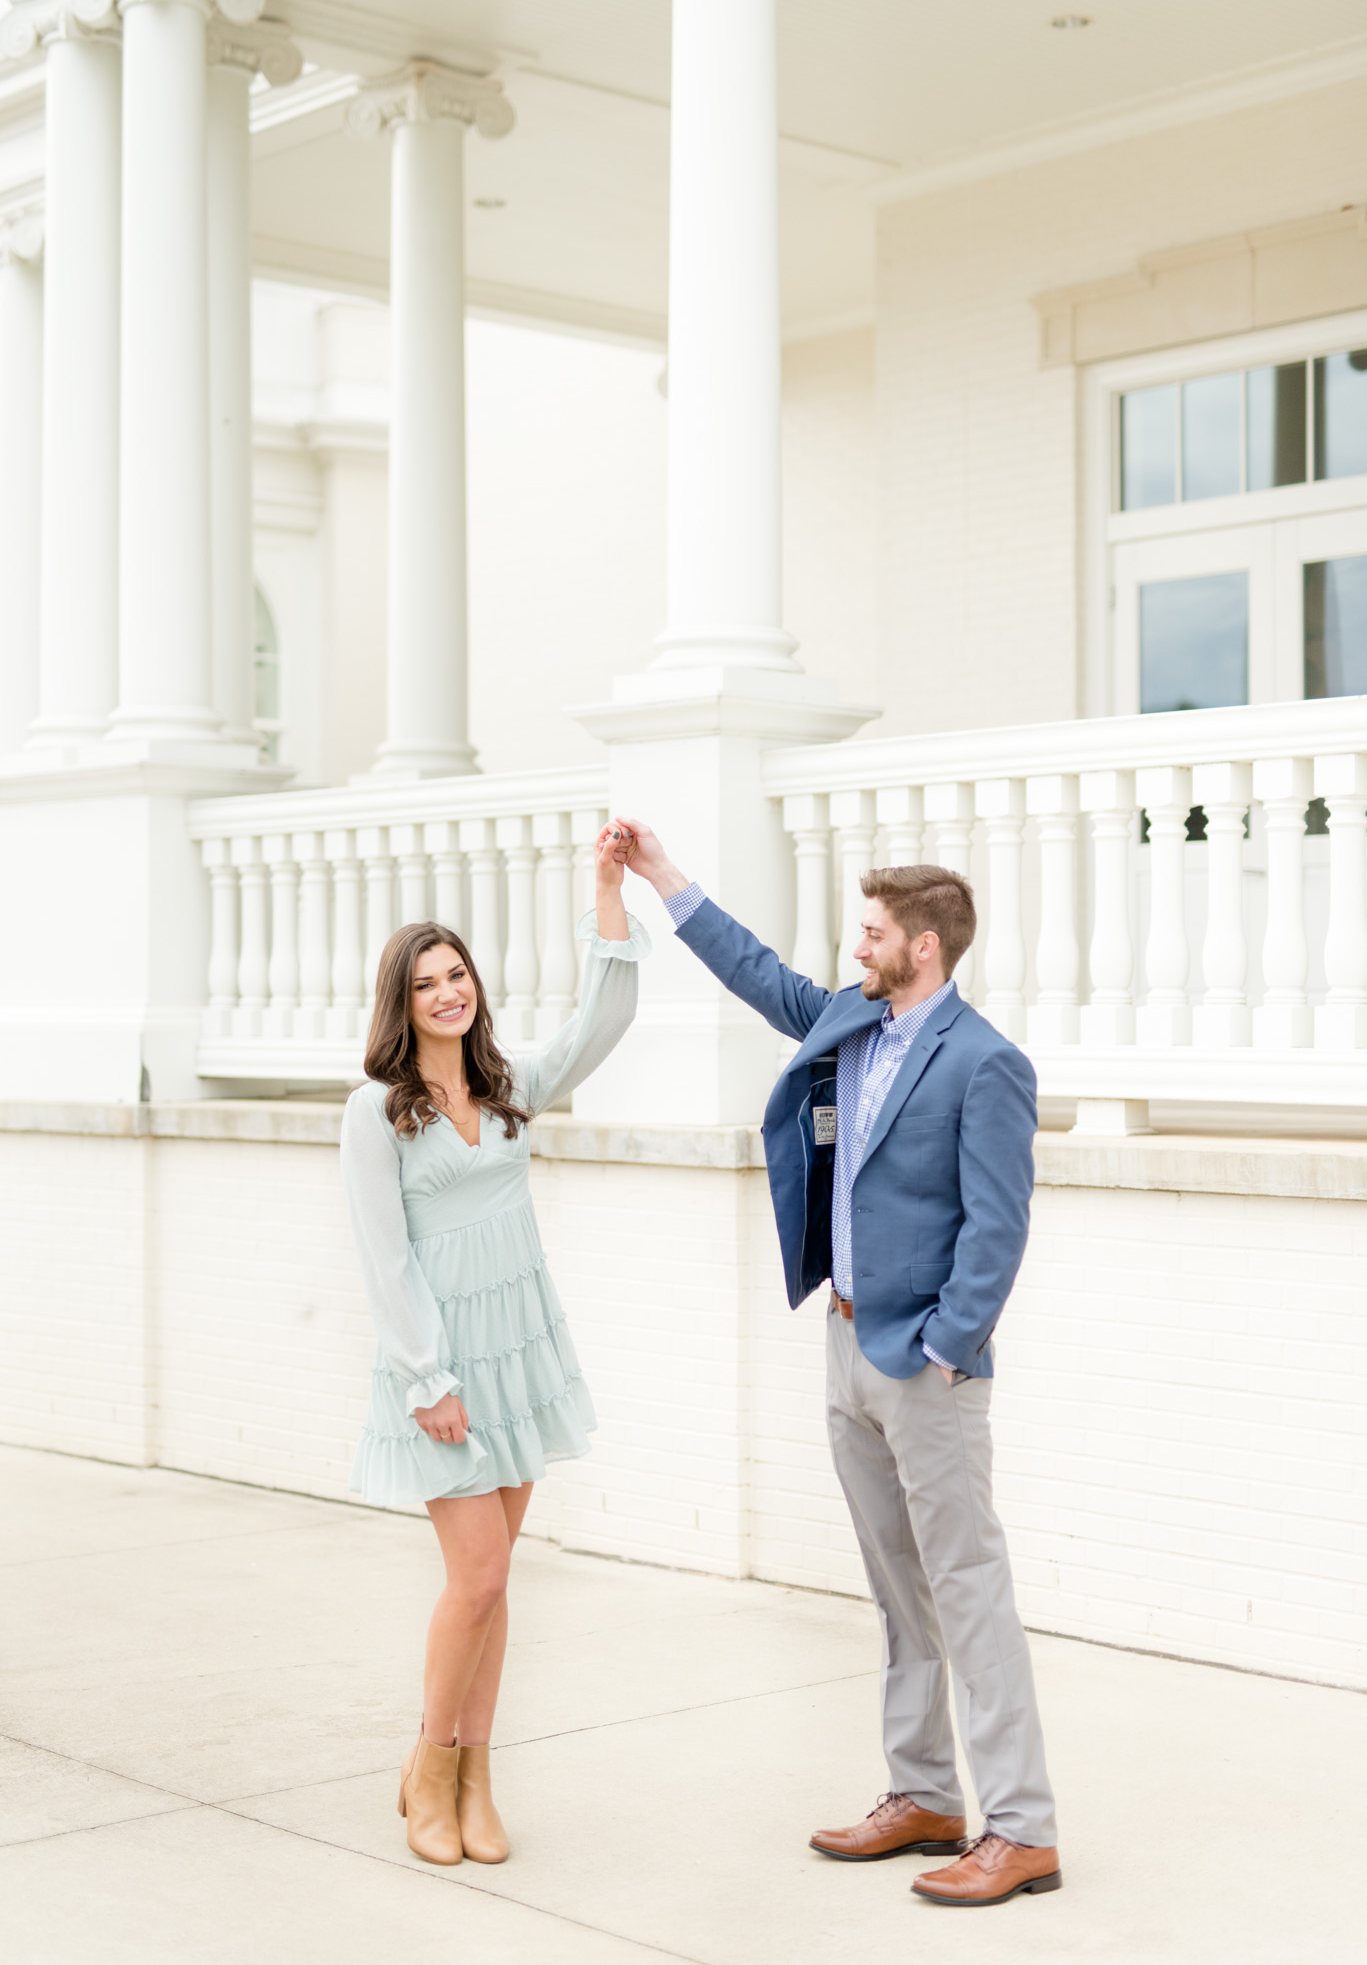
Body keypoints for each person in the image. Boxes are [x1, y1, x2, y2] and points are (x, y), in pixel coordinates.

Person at [610, 818, 1061, 1910]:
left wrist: (946, 1349)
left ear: (923, 945)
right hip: (844, 1342)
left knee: (966, 1588)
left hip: (925, 1365)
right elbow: (754, 970)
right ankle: (922, 1794)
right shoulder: (850, 1022)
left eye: (870, 933)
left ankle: (1021, 1827)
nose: (853, 947)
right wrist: (664, 874)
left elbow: (996, 1226)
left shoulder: (985, 1061)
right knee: (898, 1590)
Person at [339, 825, 648, 1868]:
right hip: (444, 1372)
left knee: (496, 1580)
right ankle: (428, 1767)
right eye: (425, 981)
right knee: (472, 1577)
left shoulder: (508, 1086)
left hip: (521, 1352)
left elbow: (603, 1017)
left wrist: (605, 889)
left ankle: (476, 1776)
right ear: (402, 1000)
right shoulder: (376, 1113)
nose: (446, 992)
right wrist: (426, 1375)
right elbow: (384, 1259)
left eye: (456, 973)